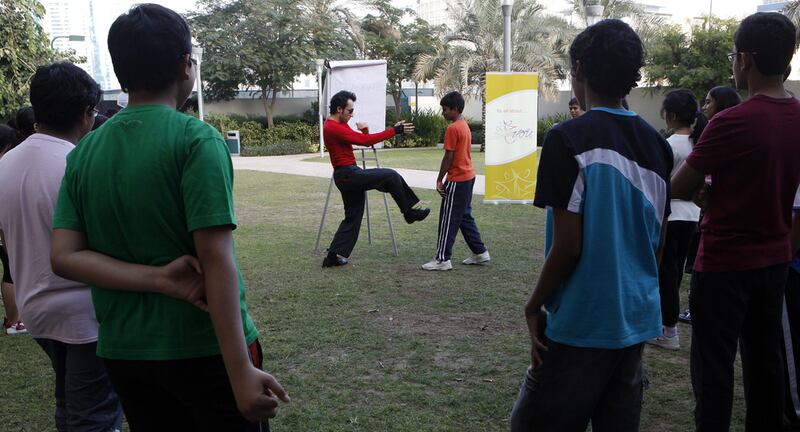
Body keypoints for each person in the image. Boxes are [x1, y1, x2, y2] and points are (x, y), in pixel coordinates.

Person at [49, 5, 289, 430]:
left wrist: (158, 279)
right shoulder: (196, 140)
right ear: (184, 65)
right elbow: (215, 259)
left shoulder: (84, 151)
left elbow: (64, 257)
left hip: (125, 355)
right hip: (203, 347)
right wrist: (240, 372)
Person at [510, 19, 672, 431]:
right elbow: (658, 241)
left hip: (583, 321)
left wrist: (533, 305)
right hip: (636, 318)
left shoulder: (567, 139)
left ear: (578, 69)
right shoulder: (657, 145)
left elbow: (568, 247)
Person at [671, 12, 800, 431]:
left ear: (745, 59)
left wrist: (699, 191)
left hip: (724, 263)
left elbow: (678, 184)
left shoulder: (731, 122)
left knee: (714, 370)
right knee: (766, 362)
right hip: (776, 260)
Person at [0, 63, 125, 431]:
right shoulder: (77, 164)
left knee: (70, 403)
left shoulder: (8, 163)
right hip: (84, 314)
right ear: (87, 114)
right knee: (95, 414)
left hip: (36, 308)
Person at [322, 90, 430, 268]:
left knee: (353, 217)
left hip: (348, 174)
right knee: (390, 176)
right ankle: (409, 213)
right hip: (347, 174)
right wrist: (395, 131)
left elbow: (365, 140)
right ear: (339, 109)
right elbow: (365, 142)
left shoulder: (340, 124)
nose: (352, 114)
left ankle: (332, 257)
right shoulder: (332, 127)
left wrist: (364, 130)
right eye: (350, 111)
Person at [647, 89, 706, 350]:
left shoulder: (669, 145)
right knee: (676, 272)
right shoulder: (699, 142)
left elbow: (659, 184)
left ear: (669, 115)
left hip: (672, 215)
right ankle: (667, 325)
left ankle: (668, 330)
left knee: (666, 273)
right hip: (693, 215)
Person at [679, 86, 741, 324]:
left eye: (708, 102)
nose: (704, 107)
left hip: (718, 231)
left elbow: (679, 185)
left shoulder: (718, 131)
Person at [422, 91, 488, 271]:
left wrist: (439, 179)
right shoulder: (463, 125)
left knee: (448, 219)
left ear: (455, 109)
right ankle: (480, 252)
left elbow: (448, 157)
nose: (443, 112)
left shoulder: (453, 128)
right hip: (468, 177)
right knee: (464, 216)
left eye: (445, 109)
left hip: (458, 179)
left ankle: (442, 259)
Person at [0, 124, 25, 335]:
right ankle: (15, 321)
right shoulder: (4, 166)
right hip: (4, 231)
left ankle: (13, 319)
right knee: (10, 272)